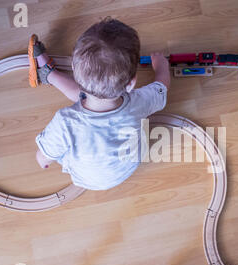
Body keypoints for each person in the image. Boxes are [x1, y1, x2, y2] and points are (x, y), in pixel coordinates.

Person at [29, 17, 170, 190]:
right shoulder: (138, 103)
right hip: (125, 169)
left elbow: (43, 158)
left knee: (82, 100)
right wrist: (162, 66)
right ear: (131, 83)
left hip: (85, 178)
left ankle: (49, 74)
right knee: (84, 100)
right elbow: (162, 87)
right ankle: (48, 75)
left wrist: (42, 162)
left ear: (74, 67)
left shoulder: (66, 122)